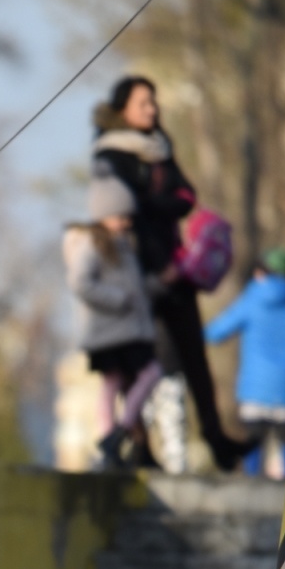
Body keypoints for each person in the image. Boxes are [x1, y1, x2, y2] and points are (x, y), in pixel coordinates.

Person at [92, 76, 251, 471]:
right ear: (123, 109)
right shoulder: (110, 156)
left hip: (177, 271)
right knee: (144, 366)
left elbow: (186, 196)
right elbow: (126, 210)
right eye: (144, 103)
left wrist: (157, 203)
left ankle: (217, 441)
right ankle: (141, 447)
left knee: (195, 359)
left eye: (154, 102)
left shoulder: (161, 147)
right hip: (139, 276)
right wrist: (161, 204)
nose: (152, 109)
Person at [65, 177, 162, 469]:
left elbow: (136, 286)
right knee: (145, 374)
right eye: (120, 216)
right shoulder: (92, 245)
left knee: (117, 382)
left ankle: (112, 437)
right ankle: (117, 431)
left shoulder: (123, 246)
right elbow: (80, 283)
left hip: (128, 330)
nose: (125, 222)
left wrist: (156, 286)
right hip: (112, 332)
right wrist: (118, 299)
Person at [204, 247, 285, 480]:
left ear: (262, 273)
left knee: (252, 447)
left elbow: (217, 332)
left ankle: (251, 490)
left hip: (254, 392)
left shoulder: (251, 301)